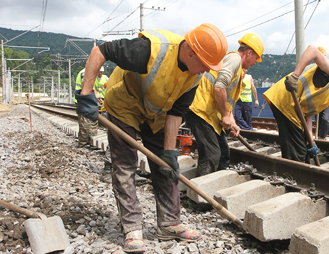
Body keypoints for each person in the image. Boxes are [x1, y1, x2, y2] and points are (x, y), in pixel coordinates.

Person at [74, 23, 228, 252]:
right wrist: (86, 94)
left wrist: (169, 153)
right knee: (126, 165)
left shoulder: (195, 77)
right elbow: (100, 51)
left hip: (156, 114)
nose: (206, 70)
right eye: (205, 64)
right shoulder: (150, 49)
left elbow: (176, 113)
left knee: (165, 166)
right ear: (190, 53)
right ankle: (132, 228)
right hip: (125, 106)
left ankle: (169, 223)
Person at [263, 45, 329, 163]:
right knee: (297, 153)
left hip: (292, 108)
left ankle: (298, 173)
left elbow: (309, 114)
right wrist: (295, 76)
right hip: (286, 100)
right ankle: (292, 176)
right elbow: (312, 50)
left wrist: (310, 138)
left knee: (305, 152)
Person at [187, 33, 264, 176]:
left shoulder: (238, 69)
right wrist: (224, 116)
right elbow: (219, 87)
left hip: (210, 115)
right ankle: (201, 194)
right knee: (212, 154)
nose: (255, 63)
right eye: (255, 58)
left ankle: (216, 187)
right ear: (249, 53)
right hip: (200, 111)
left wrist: (232, 122)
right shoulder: (235, 59)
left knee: (223, 152)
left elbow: (226, 99)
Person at [73, 66, 106, 148]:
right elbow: (88, 85)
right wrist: (96, 95)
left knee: (84, 122)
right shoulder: (86, 72)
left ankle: (85, 142)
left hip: (84, 100)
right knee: (86, 122)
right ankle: (85, 143)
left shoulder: (87, 71)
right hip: (84, 100)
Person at [313, 46, 329, 139]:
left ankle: (321, 138)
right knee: (318, 120)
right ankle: (319, 138)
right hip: (317, 99)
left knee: (325, 119)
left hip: (328, 98)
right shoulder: (314, 70)